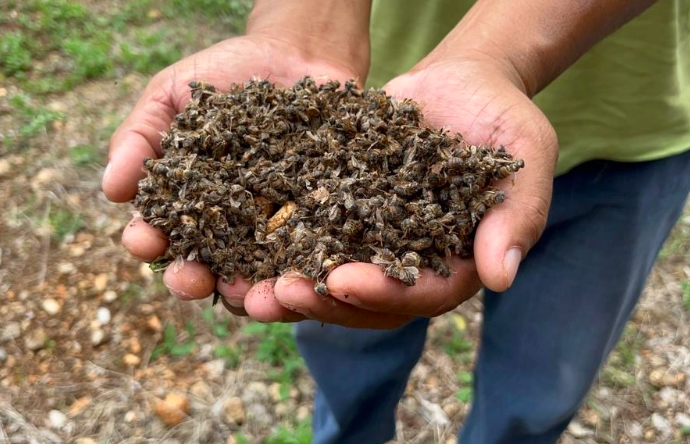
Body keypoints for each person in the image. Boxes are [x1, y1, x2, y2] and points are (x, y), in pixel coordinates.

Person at [102, 0, 690, 442]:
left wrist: (500, 53)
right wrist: (301, 24)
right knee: (342, 347)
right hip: (385, 86)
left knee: (541, 386)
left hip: (627, 134)